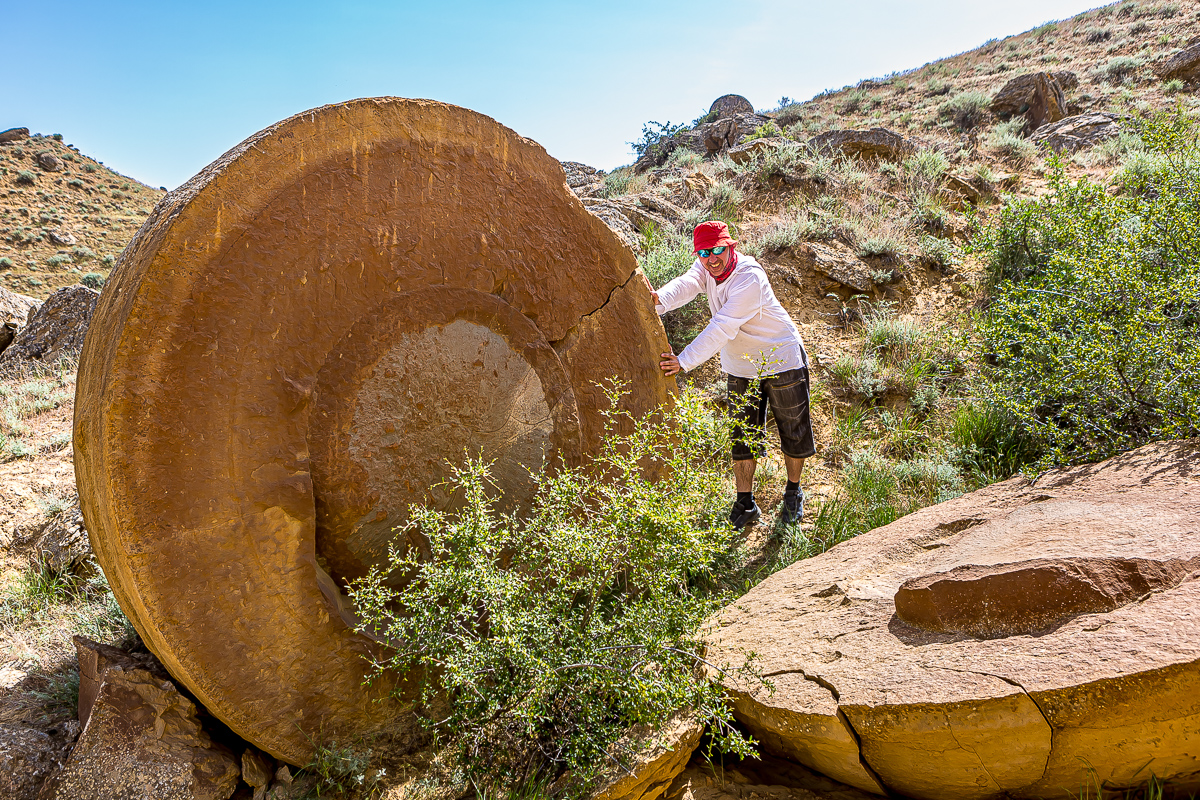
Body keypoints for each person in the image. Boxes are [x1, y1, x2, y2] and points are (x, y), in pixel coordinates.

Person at [646, 221, 814, 528]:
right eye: (703, 253)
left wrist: (684, 361)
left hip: (782, 360)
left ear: (731, 247)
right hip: (741, 366)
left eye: (718, 250)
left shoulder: (749, 277)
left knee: (793, 433)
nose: (711, 258)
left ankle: (793, 492)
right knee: (742, 437)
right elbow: (687, 283)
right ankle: (745, 503)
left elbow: (721, 327)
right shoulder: (706, 269)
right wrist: (660, 299)